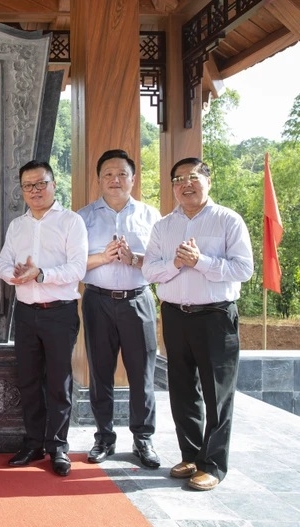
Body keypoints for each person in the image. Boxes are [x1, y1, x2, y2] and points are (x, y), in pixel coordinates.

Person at [143, 157, 253, 491]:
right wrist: (177, 264)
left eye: (193, 177)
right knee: (182, 388)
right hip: (176, 315)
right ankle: (190, 454)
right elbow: (149, 271)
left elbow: (243, 269)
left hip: (215, 316)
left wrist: (200, 261)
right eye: (178, 179)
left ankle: (214, 465)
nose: (185, 184)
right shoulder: (163, 226)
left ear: (208, 180)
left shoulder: (228, 221)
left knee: (217, 393)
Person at [0, 160, 87, 477]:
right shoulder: (17, 226)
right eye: (28, 186)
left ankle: (58, 447)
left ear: (53, 184)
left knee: (58, 382)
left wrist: (42, 274)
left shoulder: (71, 222)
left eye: (40, 184)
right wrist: (15, 276)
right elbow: (3, 263)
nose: (34, 191)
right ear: (22, 190)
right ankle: (33, 443)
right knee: (29, 380)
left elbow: (78, 268)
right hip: (25, 314)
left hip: (59, 312)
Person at [77, 149, 162, 469]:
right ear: (98, 179)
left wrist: (134, 259)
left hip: (137, 299)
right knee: (100, 371)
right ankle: (103, 436)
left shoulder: (151, 216)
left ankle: (143, 438)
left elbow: (162, 263)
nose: (115, 180)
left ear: (133, 178)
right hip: (97, 300)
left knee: (142, 373)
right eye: (108, 174)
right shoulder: (82, 218)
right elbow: (72, 266)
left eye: (122, 174)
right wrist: (102, 257)